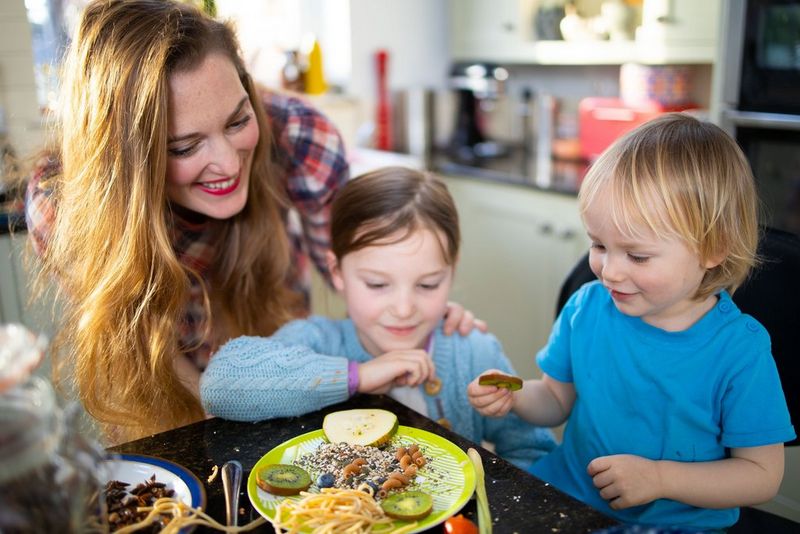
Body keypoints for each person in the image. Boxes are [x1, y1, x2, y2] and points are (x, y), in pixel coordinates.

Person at [23, 0, 478, 443]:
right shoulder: (62, 202)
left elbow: (357, 274)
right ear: (127, 158)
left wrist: (412, 303)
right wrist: (225, 399)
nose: (227, 163)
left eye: (238, 120)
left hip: (282, 364)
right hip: (163, 388)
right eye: (184, 147)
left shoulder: (299, 136)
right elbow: (137, 346)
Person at [468, 114, 796, 530]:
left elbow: (761, 476)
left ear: (713, 248)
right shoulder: (587, 307)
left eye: (637, 256)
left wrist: (660, 478)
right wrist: (512, 392)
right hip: (570, 495)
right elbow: (555, 400)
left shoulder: (739, 351)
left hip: (679, 524)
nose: (609, 272)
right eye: (599, 244)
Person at [200, 167, 557, 469]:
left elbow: (533, 453)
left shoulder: (474, 353)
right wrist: (358, 376)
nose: (403, 308)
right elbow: (220, 384)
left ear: (452, 271)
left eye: (428, 284)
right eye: (377, 284)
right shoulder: (316, 342)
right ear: (337, 272)